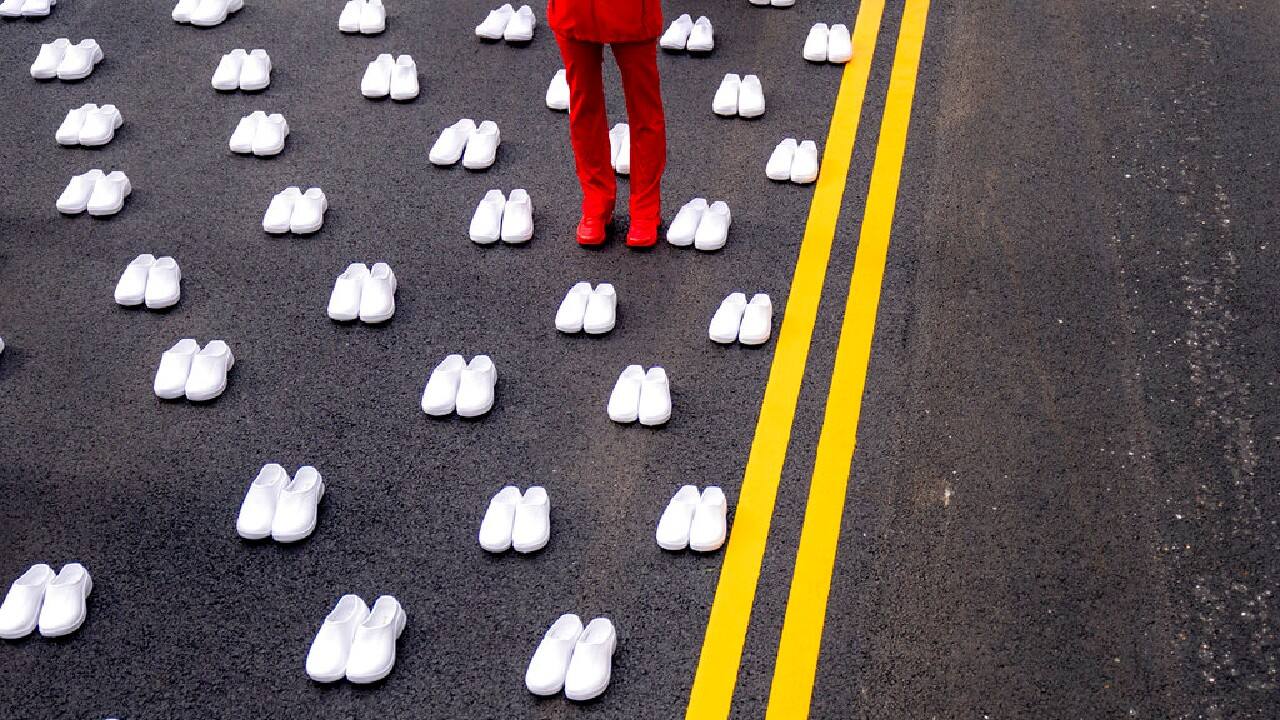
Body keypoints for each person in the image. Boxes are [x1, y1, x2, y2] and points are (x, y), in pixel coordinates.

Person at [547, 0, 666, 247]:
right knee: (583, 103)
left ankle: (645, 207)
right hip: (575, 9)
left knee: (643, 104)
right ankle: (596, 202)